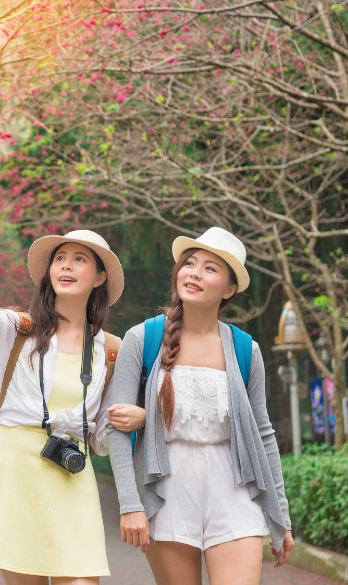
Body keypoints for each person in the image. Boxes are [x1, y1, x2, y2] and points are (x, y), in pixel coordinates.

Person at [0, 209, 144, 585]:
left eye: (80, 259)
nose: (66, 266)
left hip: (72, 471)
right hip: (15, 468)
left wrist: (138, 417)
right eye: (60, 258)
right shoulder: (19, 330)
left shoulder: (111, 350)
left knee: (83, 577)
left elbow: (103, 437)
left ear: (99, 277)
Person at [107, 227, 296, 585]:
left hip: (235, 490)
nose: (194, 272)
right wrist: (131, 505)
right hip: (167, 491)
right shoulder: (142, 338)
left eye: (210, 268)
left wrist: (279, 516)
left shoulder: (245, 349)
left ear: (228, 289)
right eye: (189, 263)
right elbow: (115, 427)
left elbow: (263, 436)